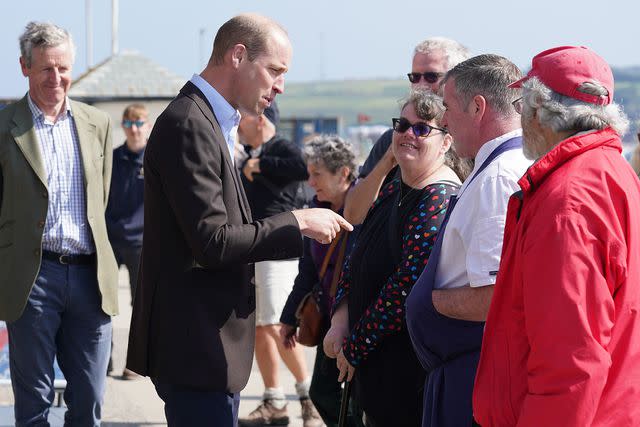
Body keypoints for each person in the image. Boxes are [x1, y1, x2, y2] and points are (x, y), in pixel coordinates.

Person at [125, 13, 351, 426]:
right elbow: (213, 242)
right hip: (196, 346)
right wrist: (297, 221)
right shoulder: (189, 123)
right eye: (275, 70)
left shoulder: (211, 121)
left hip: (208, 348)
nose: (280, 85)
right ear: (238, 55)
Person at [474, 46, 640, 426]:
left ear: (537, 111)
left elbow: (570, 361)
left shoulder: (567, 200)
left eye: (521, 107)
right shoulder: (613, 173)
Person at [0, 21, 118, 426]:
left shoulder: (97, 124)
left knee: (89, 399)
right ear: (25, 67)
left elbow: (101, 202)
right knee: (33, 401)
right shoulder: (4, 128)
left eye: (63, 68)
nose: (57, 78)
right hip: (33, 279)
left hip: (89, 278)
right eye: (47, 68)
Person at [404, 54, 531, 427]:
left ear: (478, 107)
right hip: (465, 367)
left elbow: (496, 297)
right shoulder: (499, 168)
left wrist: (431, 301)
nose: (442, 120)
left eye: (447, 107)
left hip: (472, 374)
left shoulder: (499, 178)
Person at [325, 90, 464, 426]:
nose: (408, 134)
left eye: (422, 129)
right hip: (373, 359)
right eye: (402, 125)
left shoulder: (439, 197)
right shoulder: (393, 186)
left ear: (446, 143)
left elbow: (405, 289)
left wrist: (355, 347)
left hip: (404, 367)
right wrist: (341, 318)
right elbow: (359, 251)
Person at [237, 103, 320, 427]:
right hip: (256, 248)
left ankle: (307, 397)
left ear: (260, 119)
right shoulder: (248, 151)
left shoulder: (280, 147)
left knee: (275, 326)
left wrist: (261, 163)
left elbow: (302, 165)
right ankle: (274, 401)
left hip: (279, 249)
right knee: (259, 329)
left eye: (243, 116)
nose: (238, 122)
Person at [280, 135, 363, 427]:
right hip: (329, 319)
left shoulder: (367, 210)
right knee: (322, 392)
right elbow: (308, 271)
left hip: (358, 320)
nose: (310, 181)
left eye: (317, 174)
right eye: (309, 173)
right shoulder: (315, 210)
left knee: (358, 400)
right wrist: (289, 317)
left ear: (343, 173)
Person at [343, 37, 470, 225]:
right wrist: (387, 162)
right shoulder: (394, 139)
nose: (421, 85)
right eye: (415, 77)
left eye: (431, 77)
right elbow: (353, 215)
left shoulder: (472, 143)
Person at [105, 103, 150, 380]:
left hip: (141, 242)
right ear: (123, 126)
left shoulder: (156, 160)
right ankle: (103, 361)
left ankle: (134, 363)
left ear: (147, 126)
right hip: (110, 239)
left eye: (139, 124)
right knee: (102, 302)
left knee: (141, 305)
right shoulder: (111, 159)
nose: (134, 130)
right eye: (130, 124)